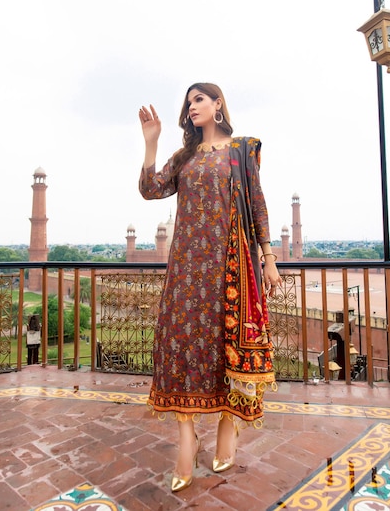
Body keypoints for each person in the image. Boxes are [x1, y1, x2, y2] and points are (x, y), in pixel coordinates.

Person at [139, 82, 282, 493]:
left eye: (199, 99)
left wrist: (269, 258)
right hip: (186, 269)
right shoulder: (184, 157)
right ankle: (187, 439)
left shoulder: (241, 150)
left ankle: (227, 424)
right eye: (188, 103)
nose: (192, 107)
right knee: (183, 345)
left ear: (218, 104)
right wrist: (151, 143)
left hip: (229, 266)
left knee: (225, 346)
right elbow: (151, 189)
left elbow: (257, 202)